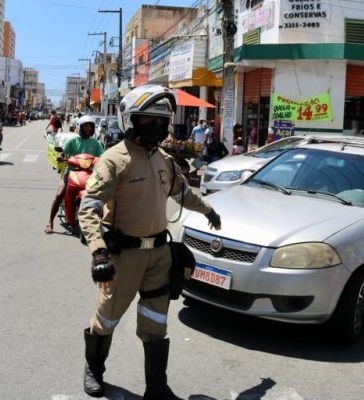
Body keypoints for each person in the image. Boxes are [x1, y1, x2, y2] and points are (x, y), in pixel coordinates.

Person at [76, 84, 222, 399]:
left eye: (162, 120)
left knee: (156, 321)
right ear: (130, 120)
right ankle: (94, 369)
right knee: (106, 317)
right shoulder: (114, 160)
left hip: (159, 254)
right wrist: (98, 253)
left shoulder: (165, 161)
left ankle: (157, 385)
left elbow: (183, 194)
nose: (157, 126)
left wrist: (209, 210)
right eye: (148, 120)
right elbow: (88, 209)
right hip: (123, 255)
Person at [45, 116, 103, 234]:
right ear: (80, 127)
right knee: (60, 193)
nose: (88, 128)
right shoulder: (73, 140)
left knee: (102, 193)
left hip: (90, 174)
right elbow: (62, 152)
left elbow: (102, 156)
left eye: (90, 126)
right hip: (71, 172)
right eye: (86, 126)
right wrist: (62, 156)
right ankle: (50, 222)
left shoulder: (95, 143)